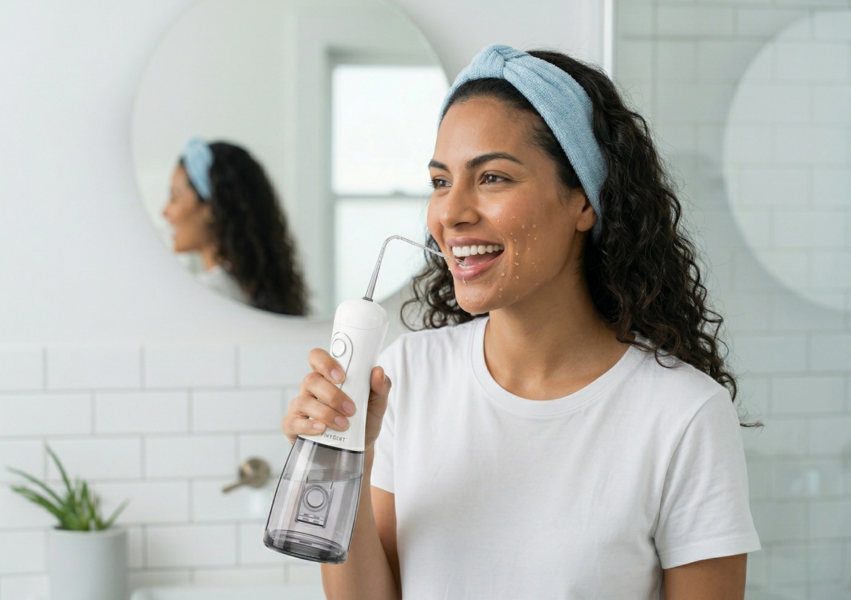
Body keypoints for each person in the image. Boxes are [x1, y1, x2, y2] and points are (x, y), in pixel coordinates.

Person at [282, 45, 760, 599]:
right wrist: (341, 462)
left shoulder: (682, 414)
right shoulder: (406, 376)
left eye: (492, 178)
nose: (451, 212)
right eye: (441, 181)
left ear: (584, 201)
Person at [163, 138, 308, 315]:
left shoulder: (206, 294)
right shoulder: (252, 289)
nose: (165, 211)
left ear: (211, 208)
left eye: (174, 197)